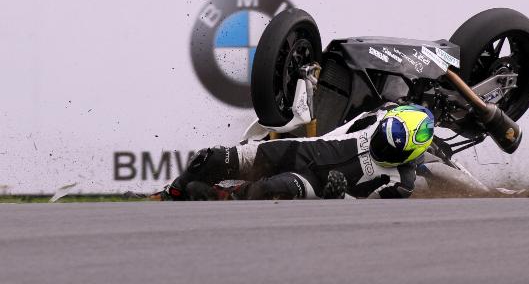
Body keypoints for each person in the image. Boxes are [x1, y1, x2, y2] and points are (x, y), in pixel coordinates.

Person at [156, 103, 435, 201]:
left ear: (410, 155)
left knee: (267, 191)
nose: (382, 147)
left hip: (317, 185)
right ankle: (171, 193)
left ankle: (223, 196)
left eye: (391, 150)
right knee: (211, 158)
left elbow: (369, 210)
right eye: (383, 139)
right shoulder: (381, 114)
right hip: (298, 150)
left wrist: (339, 196)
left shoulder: (401, 183)